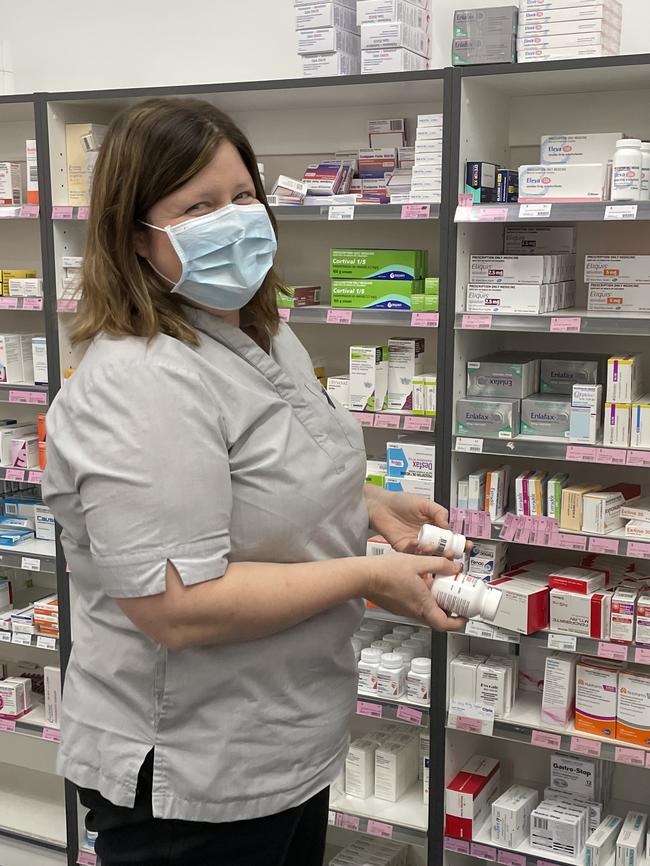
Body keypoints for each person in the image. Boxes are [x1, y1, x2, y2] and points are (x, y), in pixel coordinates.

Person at [43, 97, 466, 866]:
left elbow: (259, 475)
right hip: (191, 773)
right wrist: (370, 574)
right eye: (198, 206)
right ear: (135, 237)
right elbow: (178, 607)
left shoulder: (257, 328)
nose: (235, 220)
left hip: (282, 743)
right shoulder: (140, 381)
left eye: (243, 197)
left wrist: (369, 505)